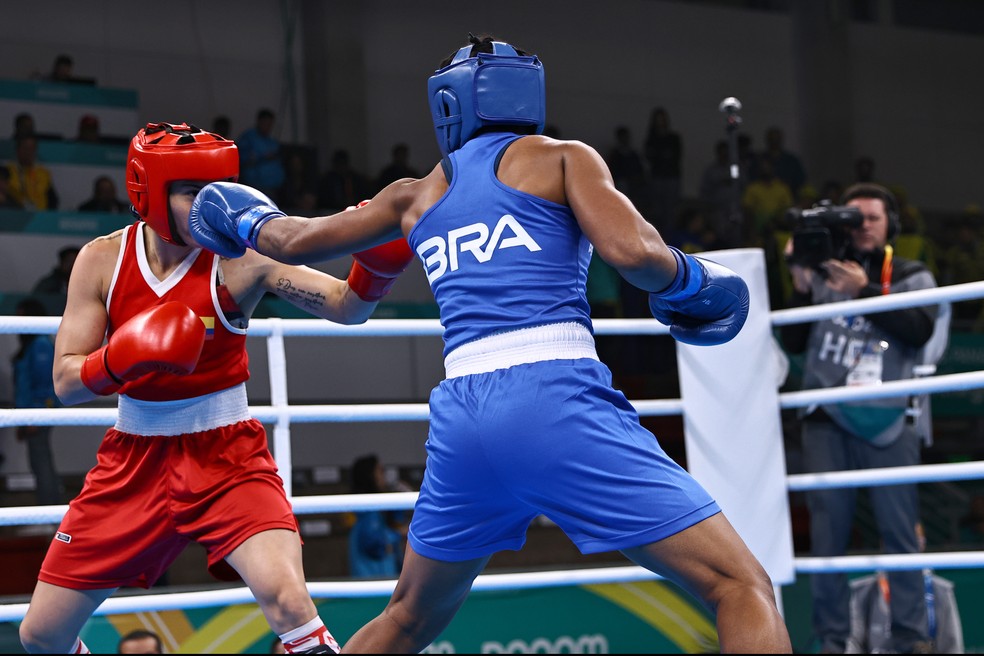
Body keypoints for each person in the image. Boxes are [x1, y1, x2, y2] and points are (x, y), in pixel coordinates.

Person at [188, 33, 792, 654]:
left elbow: (290, 241)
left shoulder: (412, 194)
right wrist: (691, 281)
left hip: (463, 423)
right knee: (739, 585)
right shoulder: (562, 158)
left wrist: (241, 218)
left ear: (448, 103)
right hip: (556, 401)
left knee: (409, 618)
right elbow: (633, 255)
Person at [17, 122, 415, 656]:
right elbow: (65, 382)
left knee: (288, 602)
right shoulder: (102, 260)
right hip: (132, 461)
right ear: (150, 194)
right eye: (192, 193)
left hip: (226, 454)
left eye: (221, 188)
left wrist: (374, 266)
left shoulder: (241, 257)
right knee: (41, 635)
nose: (217, 206)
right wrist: (123, 355)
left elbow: (347, 307)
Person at [780, 182, 950, 655]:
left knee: (901, 533)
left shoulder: (914, 275)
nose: (865, 226)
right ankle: (832, 641)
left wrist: (864, 291)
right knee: (828, 537)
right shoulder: (822, 272)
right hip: (826, 417)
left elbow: (919, 330)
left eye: (873, 217)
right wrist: (799, 280)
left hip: (890, 416)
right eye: (855, 219)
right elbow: (793, 343)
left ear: (890, 224)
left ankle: (912, 640)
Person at [845, 524, 964, 653]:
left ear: (922, 544)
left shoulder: (940, 591)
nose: (905, 546)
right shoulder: (864, 591)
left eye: (915, 540)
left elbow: (952, 648)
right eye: (899, 540)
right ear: (884, 543)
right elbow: (852, 644)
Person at [12, 297, 65, 507]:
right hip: (29, 415)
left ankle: (49, 513)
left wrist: (35, 415)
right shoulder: (31, 344)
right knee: (38, 461)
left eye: (21, 316)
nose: (17, 321)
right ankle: (48, 510)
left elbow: (45, 386)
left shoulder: (41, 344)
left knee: (41, 462)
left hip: (38, 414)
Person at [347, 454, 409, 579]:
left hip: (374, 584)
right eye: (380, 471)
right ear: (370, 476)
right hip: (372, 584)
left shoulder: (369, 511)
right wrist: (398, 534)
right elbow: (377, 548)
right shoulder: (369, 513)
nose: (384, 476)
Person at [237, 108, 286, 201]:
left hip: (274, 188)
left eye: (270, 124)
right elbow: (243, 159)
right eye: (266, 123)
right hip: (256, 188)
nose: (268, 127)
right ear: (259, 121)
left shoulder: (272, 142)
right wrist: (262, 157)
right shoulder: (248, 138)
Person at [5, 134, 59, 210]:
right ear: (18, 149)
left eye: (32, 148)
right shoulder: (7, 171)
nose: (29, 152)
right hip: (15, 216)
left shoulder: (43, 173)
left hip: (39, 217)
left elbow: (53, 200)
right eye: (25, 148)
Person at [31, 246, 80, 315]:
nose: (71, 265)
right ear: (61, 262)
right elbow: (35, 303)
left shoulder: (87, 284)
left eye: (75, 261)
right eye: (68, 261)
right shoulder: (48, 283)